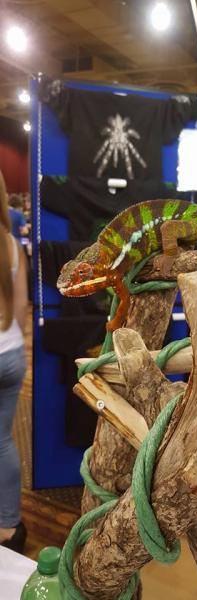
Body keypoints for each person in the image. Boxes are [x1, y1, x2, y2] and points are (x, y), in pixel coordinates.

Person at [0, 171, 28, 553]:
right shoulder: (10, 243)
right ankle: (8, 526)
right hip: (12, 354)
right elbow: (20, 308)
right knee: (3, 441)